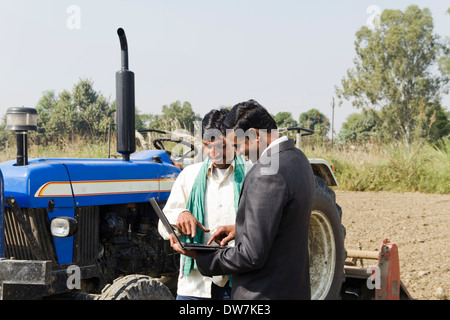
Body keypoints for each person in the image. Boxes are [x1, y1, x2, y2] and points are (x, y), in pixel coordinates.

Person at [169, 99, 315, 299]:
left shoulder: (265, 174)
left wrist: (201, 255)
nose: (238, 152)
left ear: (255, 135)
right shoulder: (298, 159)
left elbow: (250, 255)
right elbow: (284, 222)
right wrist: (242, 229)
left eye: (236, 145)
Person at [158, 108, 251, 300]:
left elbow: (266, 225)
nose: (214, 153)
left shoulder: (252, 175)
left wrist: (239, 229)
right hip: (196, 286)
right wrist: (180, 215)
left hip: (239, 281)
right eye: (208, 146)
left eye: (222, 146)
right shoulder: (188, 176)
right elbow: (163, 224)